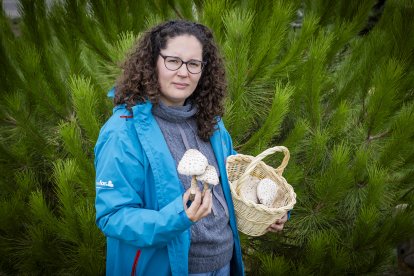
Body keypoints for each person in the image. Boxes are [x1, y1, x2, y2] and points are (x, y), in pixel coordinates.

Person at [94, 20, 288, 276]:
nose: (184, 72)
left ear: (204, 70)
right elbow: (113, 216)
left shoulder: (213, 124)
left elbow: (235, 185)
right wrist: (178, 216)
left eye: (193, 64)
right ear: (152, 62)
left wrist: (272, 211)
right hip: (168, 268)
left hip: (224, 264)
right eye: (173, 61)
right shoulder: (123, 131)